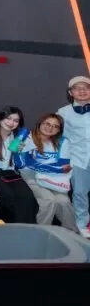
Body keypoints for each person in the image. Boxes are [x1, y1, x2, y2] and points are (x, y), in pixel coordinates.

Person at [0, 107, 38, 224]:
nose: (11, 123)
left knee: (28, 198)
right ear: (0, 118)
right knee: (7, 198)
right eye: (8, 118)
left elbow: (23, 163)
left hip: (11, 173)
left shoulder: (19, 137)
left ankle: (25, 230)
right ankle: (6, 229)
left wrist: (21, 152)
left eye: (16, 120)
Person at [19, 114, 77, 231]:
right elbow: (24, 163)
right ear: (40, 123)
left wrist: (40, 165)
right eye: (47, 124)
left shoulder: (62, 142)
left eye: (55, 126)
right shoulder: (27, 137)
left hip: (54, 177)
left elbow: (63, 166)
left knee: (64, 201)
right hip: (32, 175)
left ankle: (72, 233)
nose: (50, 128)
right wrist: (50, 167)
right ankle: (42, 232)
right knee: (48, 200)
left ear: (59, 130)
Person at [58, 76, 90, 237]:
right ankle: (82, 225)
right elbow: (59, 138)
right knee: (80, 193)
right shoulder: (63, 113)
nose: (82, 91)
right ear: (71, 92)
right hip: (78, 158)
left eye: (86, 87)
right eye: (78, 88)